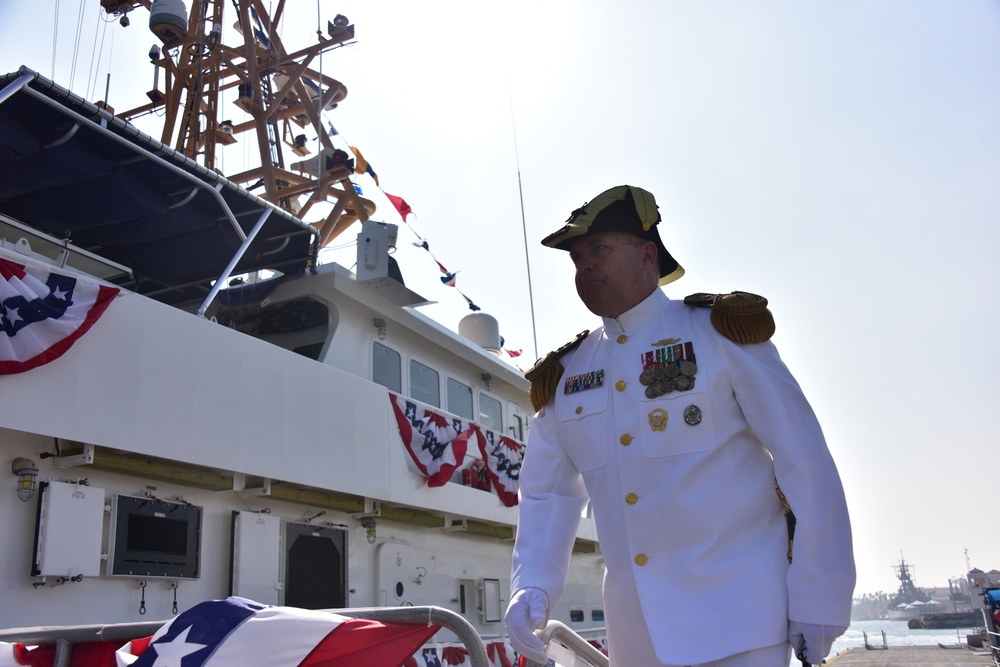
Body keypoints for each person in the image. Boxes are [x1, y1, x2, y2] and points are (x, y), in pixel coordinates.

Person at [504, 185, 855, 666]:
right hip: (637, 639)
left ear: (648, 255)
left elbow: (804, 459)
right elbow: (548, 493)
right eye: (577, 256)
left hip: (742, 626)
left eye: (599, 249)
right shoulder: (566, 375)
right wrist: (533, 585)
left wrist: (820, 598)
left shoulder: (719, 334)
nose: (585, 265)